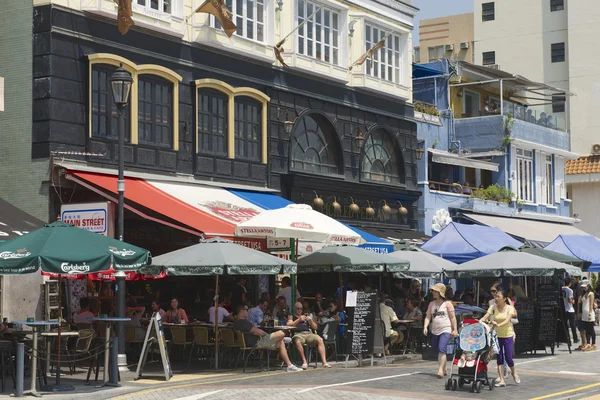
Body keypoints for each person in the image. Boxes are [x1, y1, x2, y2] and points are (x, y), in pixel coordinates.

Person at [232, 305, 302, 372]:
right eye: (246, 310)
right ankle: (280, 339)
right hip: (257, 342)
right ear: (241, 311)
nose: (248, 311)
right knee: (281, 333)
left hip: (250, 342)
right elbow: (260, 332)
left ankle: (289, 365)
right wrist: (268, 335)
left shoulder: (236, 322)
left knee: (280, 343)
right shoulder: (243, 322)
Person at [480, 288, 520, 387]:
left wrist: (497, 324)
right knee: (500, 357)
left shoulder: (509, 308)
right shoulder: (493, 307)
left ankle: (514, 373)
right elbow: (485, 317)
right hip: (497, 336)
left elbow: (507, 321)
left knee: (509, 358)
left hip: (508, 335)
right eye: (495, 296)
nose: (496, 298)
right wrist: (479, 322)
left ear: (505, 298)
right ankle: (502, 380)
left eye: (498, 297)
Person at [423, 283, 458, 378]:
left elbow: (453, 317)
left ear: (440, 293)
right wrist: (425, 327)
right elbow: (428, 317)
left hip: (445, 329)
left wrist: (455, 329)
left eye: (435, 291)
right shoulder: (431, 304)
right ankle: (444, 367)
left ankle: (440, 370)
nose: (433, 293)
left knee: (442, 348)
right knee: (437, 350)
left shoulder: (447, 304)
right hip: (435, 330)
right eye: (433, 291)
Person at [287, 302, 331, 369]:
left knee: (320, 339)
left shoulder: (305, 316)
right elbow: (288, 324)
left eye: (301, 309)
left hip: (308, 333)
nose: (299, 310)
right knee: (298, 341)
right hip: (298, 334)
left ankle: (324, 362)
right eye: (298, 308)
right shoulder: (292, 316)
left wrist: (310, 320)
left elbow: (315, 327)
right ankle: (304, 361)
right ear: (294, 309)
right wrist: (298, 320)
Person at [580, 280, 596, 351]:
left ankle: (593, 343)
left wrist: (590, 313)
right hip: (584, 313)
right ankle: (588, 343)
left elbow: (591, 304)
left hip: (589, 313)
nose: (584, 288)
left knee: (591, 329)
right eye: (583, 287)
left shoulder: (591, 293)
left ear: (588, 286)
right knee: (586, 329)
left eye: (585, 287)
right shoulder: (584, 294)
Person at [562, 278, 578, 344]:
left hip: (563, 309)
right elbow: (569, 300)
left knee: (565, 325)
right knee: (572, 325)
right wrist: (573, 301)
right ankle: (575, 338)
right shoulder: (570, 290)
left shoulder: (561, 289)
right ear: (570, 283)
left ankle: (567, 339)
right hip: (570, 309)